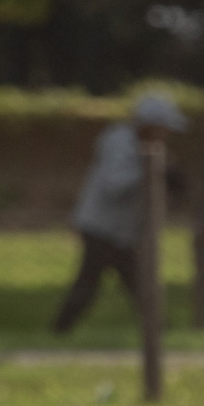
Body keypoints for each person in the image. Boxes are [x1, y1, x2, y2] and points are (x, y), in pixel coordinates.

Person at [50, 94, 188, 334]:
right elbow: (114, 185)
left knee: (134, 283)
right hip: (100, 227)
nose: (167, 134)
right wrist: (152, 170)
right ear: (149, 124)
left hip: (122, 231)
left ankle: (157, 331)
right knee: (93, 282)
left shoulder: (149, 147)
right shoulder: (119, 141)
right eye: (164, 127)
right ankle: (60, 330)